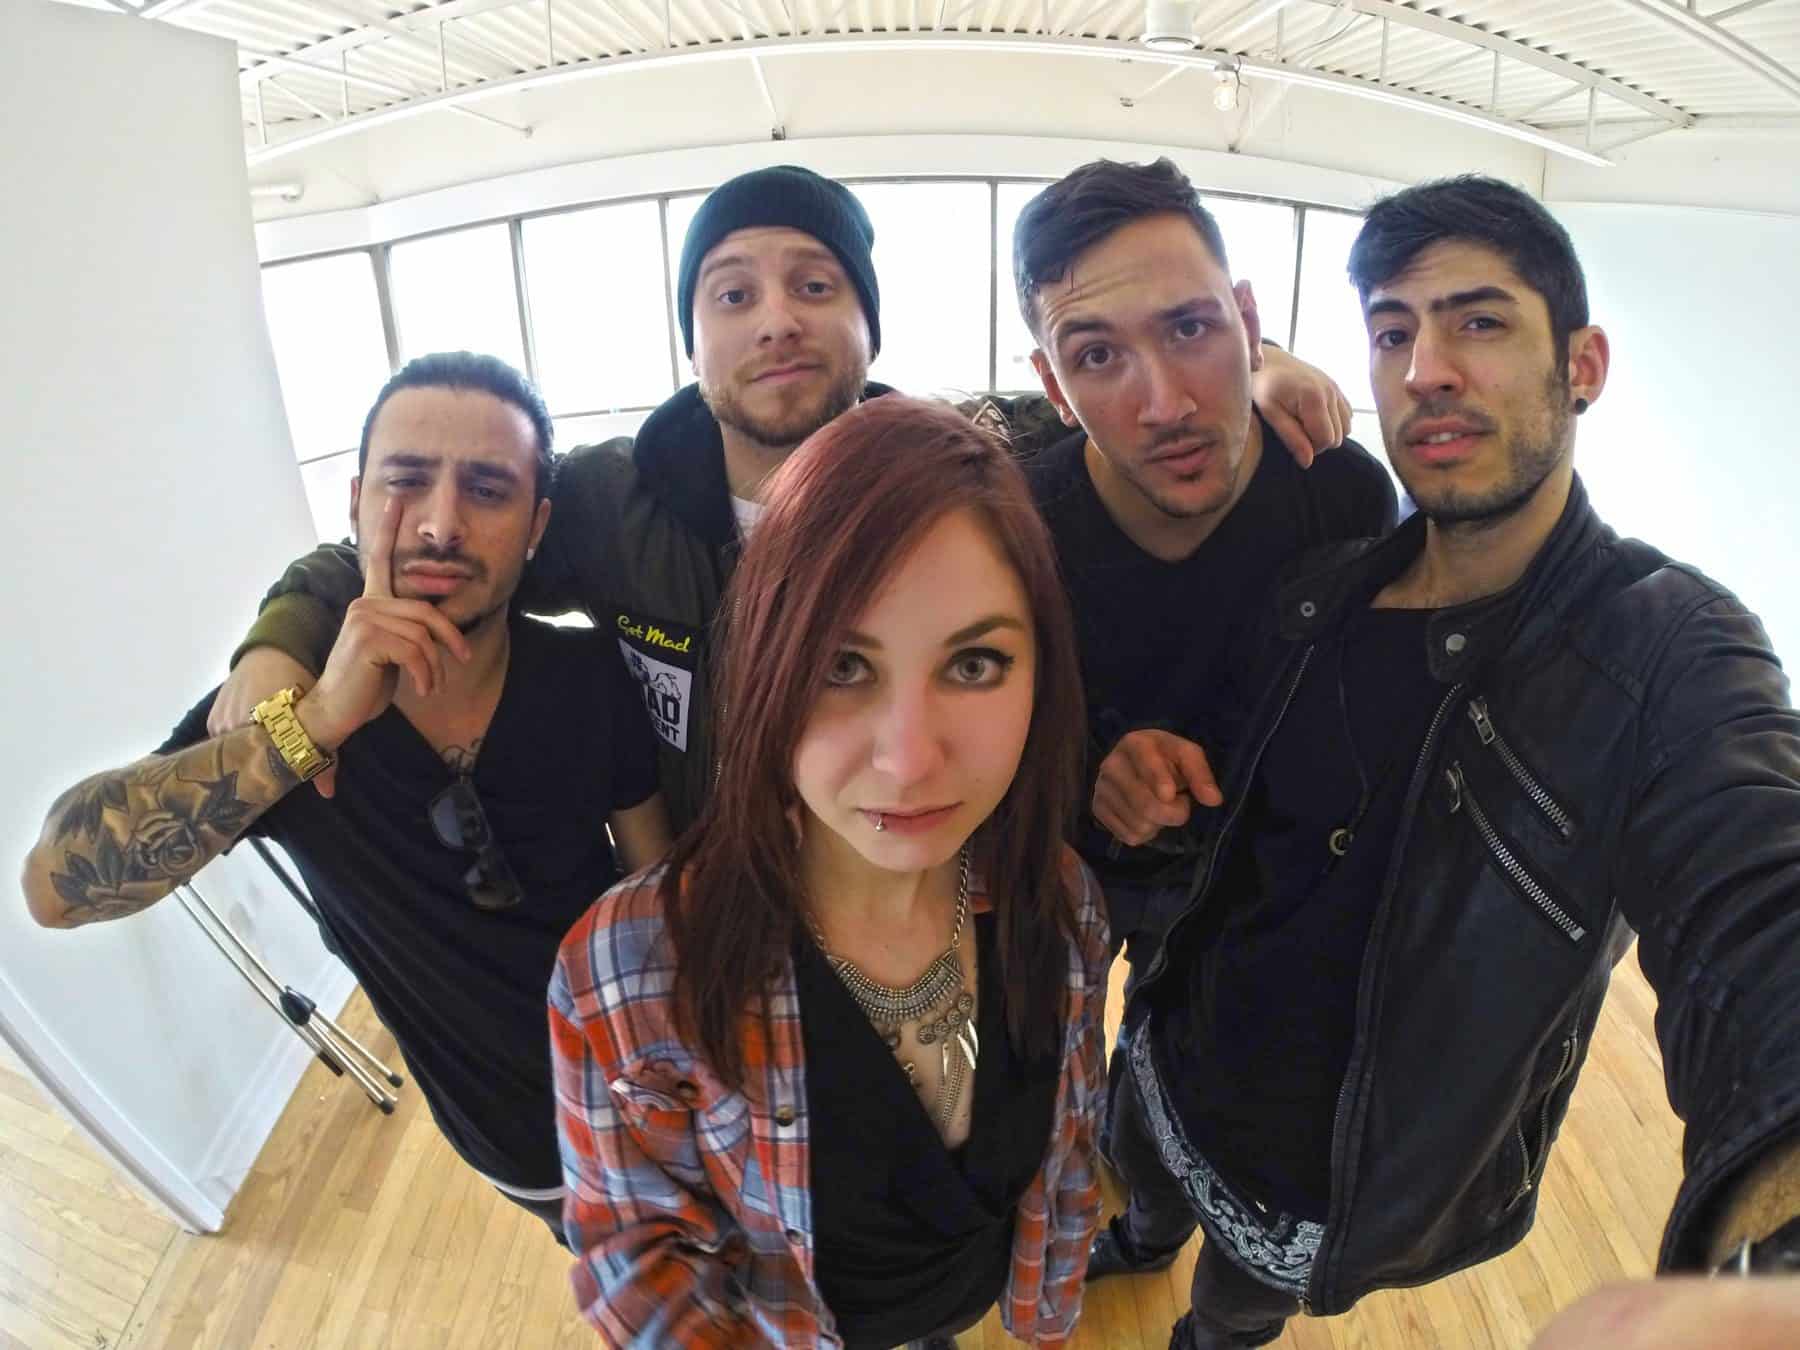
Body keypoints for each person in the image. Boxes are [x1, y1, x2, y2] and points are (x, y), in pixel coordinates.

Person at [1095, 175, 1800, 1348]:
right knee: (1143, 1201)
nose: (1426, 369)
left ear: (1582, 365)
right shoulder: (1319, 589)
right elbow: (1236, 818)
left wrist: (1773, 1251)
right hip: (1175, 1050)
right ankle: (1138, 1240)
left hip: (1320, 1166)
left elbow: (1758, 896)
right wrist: (1141, 781)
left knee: (1224, 1322)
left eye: (1479, 320)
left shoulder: (1664, 650)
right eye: (1392, 332)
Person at [208, 165, 1358, 833]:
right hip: (712, 894)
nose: (776, 321)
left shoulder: (956, 462)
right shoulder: (609, 501)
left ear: (867, 327)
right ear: (692, 340)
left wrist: (1264, 364)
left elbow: (1112, 385)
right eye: (732, 294)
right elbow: (437, 546)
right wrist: (281, 644)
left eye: (815, 285)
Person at [21, 353, 671, 1237]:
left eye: (487, 490)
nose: (440, 525)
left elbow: (659, 894)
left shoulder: (590, 676)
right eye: (407, 481)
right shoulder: (283, 718)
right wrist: (316, 727)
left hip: (657, 1103)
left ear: (536, 526)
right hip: (521, 1149)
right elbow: (54, 890)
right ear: (357, 502)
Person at [548, 396, 1110, 1347]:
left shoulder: (1060, 902)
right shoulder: (628, 970)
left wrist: (1045, 1315)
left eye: (975, 664)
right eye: (841, 668)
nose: (909, 760)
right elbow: (641, 1270)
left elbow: (1067, 1158)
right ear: (764, 670)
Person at [1002, 157, 1397, 1171]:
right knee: (1039, 1066)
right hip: (1067, 873)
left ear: (1249, 323)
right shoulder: (1018, 524)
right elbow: (987, 719)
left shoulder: (1341, 496)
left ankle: (1143, 1213)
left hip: (1244, 882)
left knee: (1186, 1079)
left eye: (1191, 328)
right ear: (1052, 386)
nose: (1167, 403)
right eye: (1097, 355)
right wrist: (1086, 772)